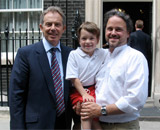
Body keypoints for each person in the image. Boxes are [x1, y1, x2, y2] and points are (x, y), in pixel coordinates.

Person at [79, 9, 149, 130]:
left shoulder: (135, 57)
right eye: (109, 28)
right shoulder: (100, 56)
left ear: (128, 33)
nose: (113, 32)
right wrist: (82, 104)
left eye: (118, 29)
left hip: (122, 126)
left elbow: (135, 99)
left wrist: (101, 110)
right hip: (97, 124)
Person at [9, 6, 73, 129]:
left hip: (63, 124)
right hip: (36, 125)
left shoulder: (71, 54)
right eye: (49, 24)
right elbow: (16, 95)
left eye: (57, 25)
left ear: (63, 28)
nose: (53, 28)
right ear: (41, 27)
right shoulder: (26, 54)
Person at [66, 21, 108, 130]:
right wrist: (84, 94)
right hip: (78, 90)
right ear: (79, 40)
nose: (87, 42)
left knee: (94, 117)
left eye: (91, 38)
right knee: (86, 111)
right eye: (84, 38)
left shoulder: (102, 53)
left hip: (94, 89)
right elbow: (73, 77)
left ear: (97, 40)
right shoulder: (74, 55)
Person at [128, 19, 152, 96]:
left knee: (132, 77)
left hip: (132, 59)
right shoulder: (147, 37)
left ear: (135, 26)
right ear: (143, 26)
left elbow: (128, 47)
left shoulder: (131, 35)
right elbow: (149, 49)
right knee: (143, 77)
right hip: (144, 59)